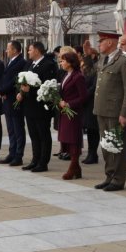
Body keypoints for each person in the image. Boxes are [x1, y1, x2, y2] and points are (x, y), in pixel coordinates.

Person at [93, 31, 126, 192]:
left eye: (101, 42)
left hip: (115, 111)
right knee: (105, 146)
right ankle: (109, 175)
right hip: (102, 109)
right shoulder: (103, 59)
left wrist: (124, 114)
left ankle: (118, 179)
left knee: (116, 146)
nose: (99, 45)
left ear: (110, 42)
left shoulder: (124, 61)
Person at [16, 42, 58, 171]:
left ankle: (43, 162)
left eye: (30, 50)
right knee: (33, 135)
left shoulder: (48, 64)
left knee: (43, 134)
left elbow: (48, 86)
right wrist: (21, 91)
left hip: (41, 106)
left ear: (37, 51)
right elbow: (22, 81)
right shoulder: (29, 64)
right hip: (29, 105)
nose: (28, 52)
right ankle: (35, 159)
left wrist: (31, 90)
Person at [58, 52, 87, 180]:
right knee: (67, 139)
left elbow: (83, 97)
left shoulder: (78, 76)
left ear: (70, 62)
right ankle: (77, 169)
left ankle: (72, 167)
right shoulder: (66, 74)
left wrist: (69, 104)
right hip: (64, 112)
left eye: (63, 61)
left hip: (73, 113)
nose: (61, 63)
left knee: (74, 139)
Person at [0, 41, 26, 164]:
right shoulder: (10, 61)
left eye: (8, 49)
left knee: (18, 128)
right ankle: (12, 152)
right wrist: (0, 90)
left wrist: (3, 90)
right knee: (11, 129)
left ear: (15, 50)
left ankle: (18, 155)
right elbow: (4, 78)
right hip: (7, 99)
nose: (6, 51)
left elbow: (15, 80)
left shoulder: (21, 62)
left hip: (14, 99)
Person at [81, 53, 100, 166]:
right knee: (89, 131)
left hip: (92, 103)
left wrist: (84, 95)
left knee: (94, 130)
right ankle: (90, 153)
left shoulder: (94, 73)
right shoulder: (84, 74)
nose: (82, 66)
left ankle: (93, 154)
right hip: (86, 105)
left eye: (83, 64)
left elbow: (93, 87)